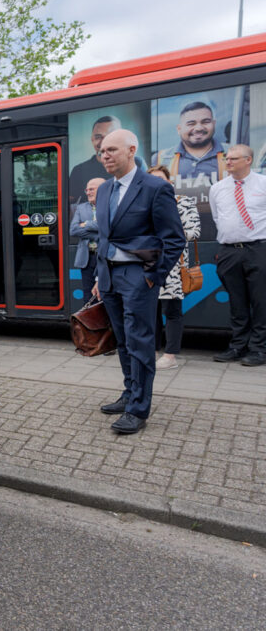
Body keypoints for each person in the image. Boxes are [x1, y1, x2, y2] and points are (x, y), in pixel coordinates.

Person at [92, 130, 185, 435]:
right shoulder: (104, 190)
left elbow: (174, 239)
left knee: (140, 342)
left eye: (111, 150)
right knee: (122, 340)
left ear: (131, 150)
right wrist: (99, 275)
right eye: (102, 151)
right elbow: (104, 237)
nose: (105, 155)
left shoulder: (156, 188)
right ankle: (130, 392)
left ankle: (138, 409)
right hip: (109, 277)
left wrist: (153, 277)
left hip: (138, 276)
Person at [209, 144, 266, 366]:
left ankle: (259, 349)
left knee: (261, 301)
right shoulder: (218, 188)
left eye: (233, 158)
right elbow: (217, 217)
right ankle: (238, 346)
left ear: (248, 160)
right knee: (237, 302)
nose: (228, 162)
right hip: (229, 251)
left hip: (258, 248)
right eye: (227, 158)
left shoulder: (263, 183)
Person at [147, 165, 200, 370]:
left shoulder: (182, 202)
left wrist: (167, 234)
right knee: (150, 311)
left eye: (160, 178)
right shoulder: (144, 204)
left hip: (172, 264)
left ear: (169, 182)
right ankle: (151, 351)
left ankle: (170, 356)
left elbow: (194, 231)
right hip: (148, 262)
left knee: (172, 310)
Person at [152, 101, 226, 182]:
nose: (199, 128)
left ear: (214, 124)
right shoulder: (159, 159)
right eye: (191, 124)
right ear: (179, 129)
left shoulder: (231, 153)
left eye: (205, 122)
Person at [69, 177, 106, 305]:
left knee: (107, 295)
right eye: (87, 190)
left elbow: (108, 226)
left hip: (106, 256)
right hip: (87, 258)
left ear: (103, 189)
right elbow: (73, 230)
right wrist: (98, 234)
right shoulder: (81, 208)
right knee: (89, 296)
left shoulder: (111, 205)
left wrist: (85, 224)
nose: (88, 192)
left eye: (92, 189)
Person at [69, 116, 121, 204]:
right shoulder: (79, 170)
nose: (104, 142)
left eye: (110, 136)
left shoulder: (135, 164)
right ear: (92, 139)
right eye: (98, 137)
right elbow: (70, 204)